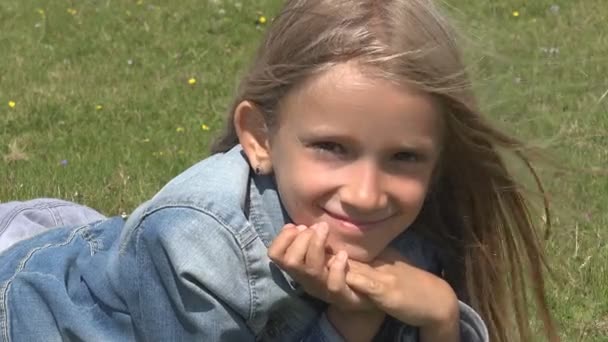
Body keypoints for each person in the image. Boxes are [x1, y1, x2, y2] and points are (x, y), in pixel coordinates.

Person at [0, 0, 559, 341]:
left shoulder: (411, 235)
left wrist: (440, 318)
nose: (366, 194)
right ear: (260, 137)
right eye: (332, 147)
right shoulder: (196, 246)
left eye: (404, 157)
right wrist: (351, 325)